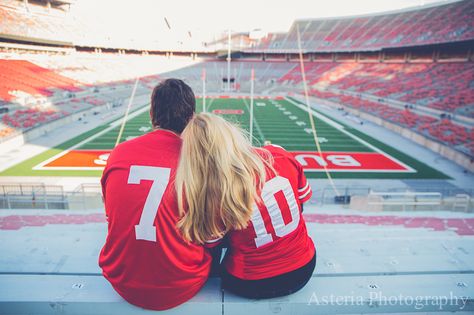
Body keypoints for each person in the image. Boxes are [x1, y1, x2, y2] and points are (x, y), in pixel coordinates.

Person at [175, 113, 316, 299]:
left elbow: (212, 244)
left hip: (252, 282)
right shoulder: (279, 154)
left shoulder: (215, 189)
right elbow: (301, 203)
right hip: (304, 266)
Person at [99, 79, 212, 310]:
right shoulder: (197, 159)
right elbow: (210, 232)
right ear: (192, 117)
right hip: (182, 285)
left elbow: (111, 215)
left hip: (122, 281)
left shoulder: (119, 152)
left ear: (152, 113)